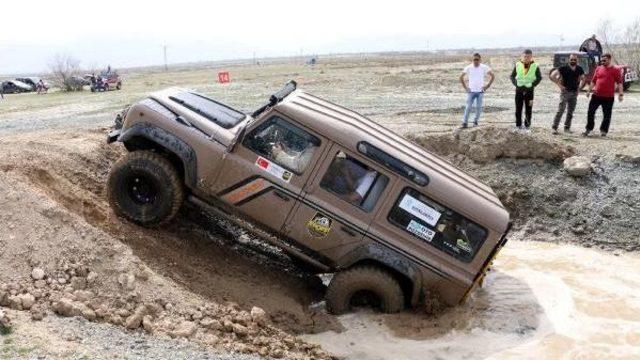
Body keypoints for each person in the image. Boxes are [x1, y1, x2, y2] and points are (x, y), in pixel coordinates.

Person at [583, 53, 623, 137]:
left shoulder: (615, 70)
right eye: (602, 60)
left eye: (604, 60)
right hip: (596, 95)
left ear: (609, 59)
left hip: (608, 97)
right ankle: (589, 129)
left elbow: (619, 83)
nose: (602, 62)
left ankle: (603, 131)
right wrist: (588, 90)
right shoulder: (598, 68)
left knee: (607, 115)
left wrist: (621, 94)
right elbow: (593, 81)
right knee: (590, 112)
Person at [550, 53, 586, 134]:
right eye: (571, 59)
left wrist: (579, 89)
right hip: (565, 92)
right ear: (569, 60)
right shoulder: (563, 68)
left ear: (577, 60)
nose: (573, 61)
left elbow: (584, 78)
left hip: (574, 93)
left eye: (575, 59)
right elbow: (552, 76)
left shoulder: (579, 69)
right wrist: (560, 85)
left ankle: (567, 128)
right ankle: (554, 128)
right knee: (561, 110)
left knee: (570, 112)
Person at [458, 53, 495, 128]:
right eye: (474, 59)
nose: (475, 61)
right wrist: (466, 87)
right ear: (472, 60)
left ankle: (475, 122)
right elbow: (461, 77)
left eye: (477, 59)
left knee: (478, 108)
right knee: (468, 107)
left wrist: (487, 86)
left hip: (480, 91)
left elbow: (493, 76)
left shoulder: (484, 67)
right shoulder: (468, 67)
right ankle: (464, 123)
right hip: (471, 91)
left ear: (480, 60)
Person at [510, 49, 542, 133]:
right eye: (525, 56)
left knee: (529, 109)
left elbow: (539, 77)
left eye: (528, 57)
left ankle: (527, 126)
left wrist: (533, 85)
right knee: (518, 109)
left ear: (531, 57)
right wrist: (515, 83)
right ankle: (518, 125)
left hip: (529, 92)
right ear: (522, 56)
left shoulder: (535, 66)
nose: (526, 58)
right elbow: (512, 76)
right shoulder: (517, 65)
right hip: (519, 90)